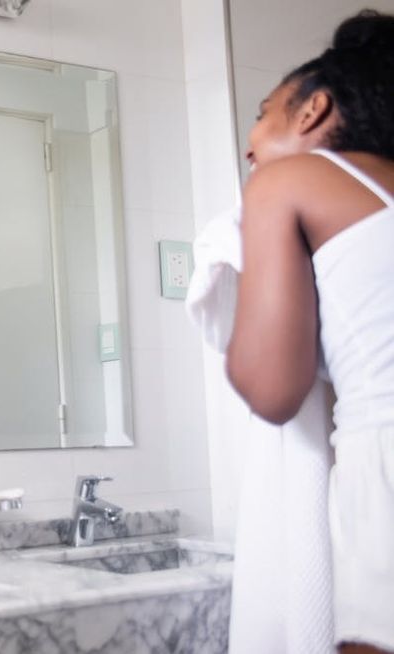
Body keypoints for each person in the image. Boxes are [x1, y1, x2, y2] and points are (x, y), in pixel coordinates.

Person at [226, 10, 394, 654]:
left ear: (312, 111)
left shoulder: (286, 181)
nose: (249, 142)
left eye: (263, 113)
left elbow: (273, 389)